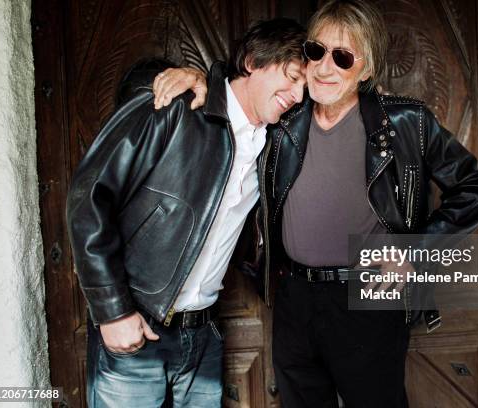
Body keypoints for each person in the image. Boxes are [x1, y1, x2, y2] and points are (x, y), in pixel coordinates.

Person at [155, 1, 478, 406]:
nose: (323, 68)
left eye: (343, 57)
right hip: (293, 297)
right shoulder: (281, 120)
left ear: (365, 70)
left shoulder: (406, 122)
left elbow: (476, 185)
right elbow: (239, 95)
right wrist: (199, 78)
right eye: (315, 51)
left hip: (368, 294)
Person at [66, 18, 306, 408]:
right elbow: (89, 196)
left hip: (203, 336)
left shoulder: (273, 144)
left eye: (304, 88)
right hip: (135, 326)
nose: (297, 94)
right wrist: (113, 312)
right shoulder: (175, 107)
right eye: (292, 77)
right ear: (251, 61)